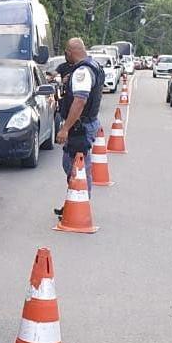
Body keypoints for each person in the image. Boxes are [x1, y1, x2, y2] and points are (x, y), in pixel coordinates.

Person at [54, 37, 104, 217]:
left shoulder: (82, 71)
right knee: (75, 164)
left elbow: (80, 101)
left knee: (76, 165)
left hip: (79, 126)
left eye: (66, 52)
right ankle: (75, 201)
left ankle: (79, 204)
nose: (65, 56)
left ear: (70, 51)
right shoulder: (92, 66)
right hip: (86, 123)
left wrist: (65, 128)